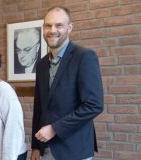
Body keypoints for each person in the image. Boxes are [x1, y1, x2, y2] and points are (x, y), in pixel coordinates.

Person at [30, 6, 104, 160]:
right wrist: (36, 146)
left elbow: (93, 105)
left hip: (75, 149)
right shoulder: (41, 64)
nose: (52, 30)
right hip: (46, 149)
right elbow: (39, 108)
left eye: (59, 25)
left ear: (70, 28)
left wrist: (55, 129)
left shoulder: (84, 57)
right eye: (48, 25)